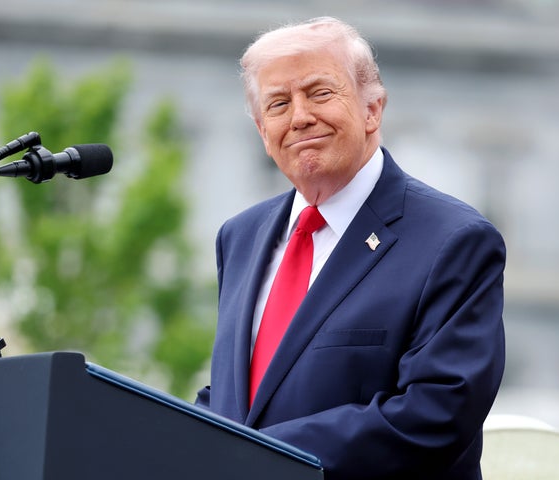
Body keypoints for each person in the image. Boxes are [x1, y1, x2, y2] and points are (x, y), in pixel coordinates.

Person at [195, 16, 506, 480]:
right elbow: (238, 397)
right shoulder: (240, 236)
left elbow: (435, 414)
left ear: (372, 110)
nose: (300, 116)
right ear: (263, 131)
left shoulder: (454, 240)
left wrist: (255, 454)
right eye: (279, 103)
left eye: (319, 93)